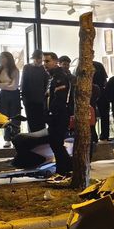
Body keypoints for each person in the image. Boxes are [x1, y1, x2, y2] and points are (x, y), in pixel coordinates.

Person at [43, 52, 73, 180]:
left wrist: (51, 114)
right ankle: (64, 168)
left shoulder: (60, 76)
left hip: (59, 116)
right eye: (44, 61)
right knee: (55, 144)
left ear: (55, 62)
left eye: (47, 61)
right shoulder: (53, 77)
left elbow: (59, 99)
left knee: (56, 143)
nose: (45, 64)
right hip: (54, 116)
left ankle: (65, 169)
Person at [0, 51, 21, 147]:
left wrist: (2, 85)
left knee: (15, 116)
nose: (0, 59)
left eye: (2, 58)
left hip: (14, 94)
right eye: (0, 57)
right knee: (4, 116)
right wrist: (6, 84)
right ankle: (7, 138)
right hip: (4, 94)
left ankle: (16, 137)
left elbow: (14, 86)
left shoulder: (14, 70)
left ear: (8, 59)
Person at [21, 50, 49, 132]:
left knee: (41, 120)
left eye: (40, 58)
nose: (38, 60)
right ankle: (33, 139)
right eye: (36, 58)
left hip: (41, 99)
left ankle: (41, 140)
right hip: (29, 99)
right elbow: (23, 83)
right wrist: (24, 98)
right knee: (31, 120)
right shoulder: (27, 67)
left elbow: (46, 84)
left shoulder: (44, 69)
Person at [92, 60, 110, 141]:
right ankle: (97, 136)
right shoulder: (82, 66)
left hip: (100, 93)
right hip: (91, 93)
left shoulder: (98, 65)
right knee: (92, 116)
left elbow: (105, 81)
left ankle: (103, 135)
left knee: (103, 115)